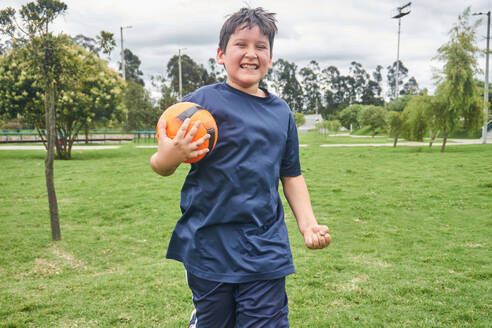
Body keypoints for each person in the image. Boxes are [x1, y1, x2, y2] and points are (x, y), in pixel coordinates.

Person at [150, 7, 331, 328]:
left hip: (265, 246)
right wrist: (173, 154)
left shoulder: (280, 112)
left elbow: (291, 174)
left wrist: (308, 225)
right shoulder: (198, 105)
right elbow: (159, 165)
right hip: (209, 245)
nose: (251, 54)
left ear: (271, 58)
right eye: (241, 45)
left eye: (261, 47)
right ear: (221, 54)